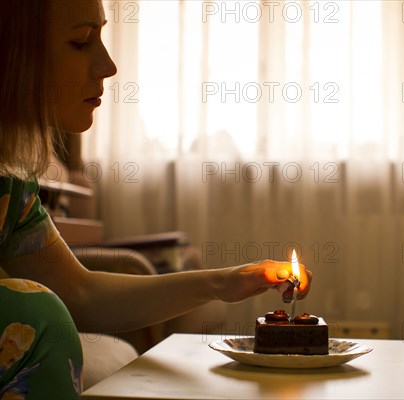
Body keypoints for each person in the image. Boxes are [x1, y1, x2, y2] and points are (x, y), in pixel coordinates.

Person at [0, 0, 312, 398]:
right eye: (80, 42)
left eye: (101, 36)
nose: (109, 66)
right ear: (11, 53)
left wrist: (227, 281)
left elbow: (80, 293)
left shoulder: (12, 184)